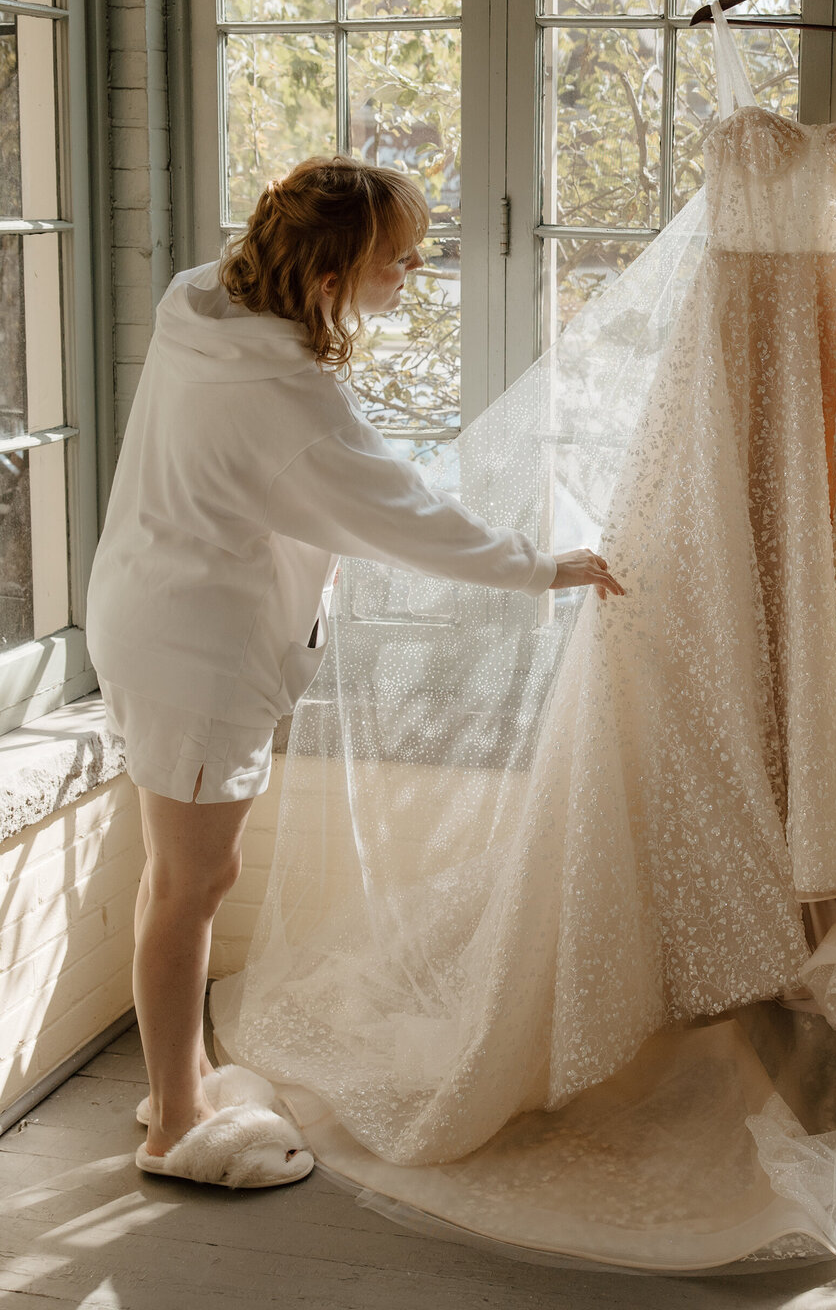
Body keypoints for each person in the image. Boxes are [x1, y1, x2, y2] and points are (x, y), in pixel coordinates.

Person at [85, 155, 623, 1190]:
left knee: (183, 876)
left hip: (147, 606)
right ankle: (174, 1127)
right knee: (193, 886)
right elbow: (403, 517)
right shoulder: (286, 403)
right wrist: (540, 568)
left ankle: (181, 1077)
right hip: (197, 647)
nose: (415, 268)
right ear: (330, 275)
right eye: (398, 257)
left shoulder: (200, 303)